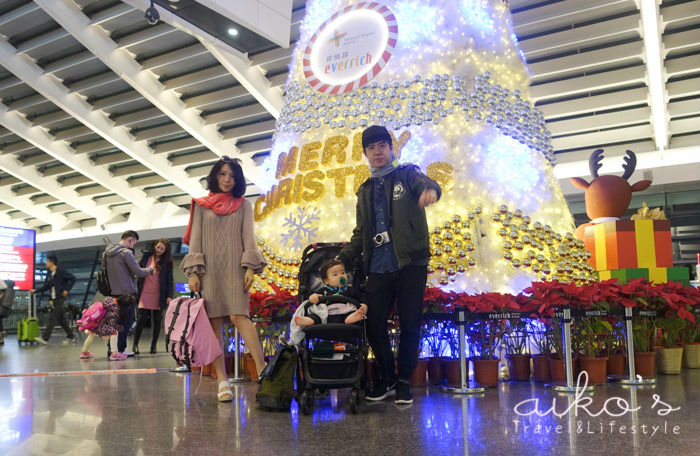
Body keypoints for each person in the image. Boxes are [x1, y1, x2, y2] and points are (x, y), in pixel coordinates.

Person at [338, 125, 441, 405]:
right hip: (378, 266)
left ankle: (405, 381)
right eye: (371, 148)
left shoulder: (407, 174)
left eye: (382, 145)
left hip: (411, 262)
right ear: (365, 154)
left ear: (390, 147)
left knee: (410, 323)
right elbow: (361, 232)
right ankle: (388, 378)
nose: (377, 151)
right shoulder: (365, 190)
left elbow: (426, 183)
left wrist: (430, 190)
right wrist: (343, 258)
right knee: (372, 323)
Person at [181, 156, 267, 402]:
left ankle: (262, 371)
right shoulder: (200, 205)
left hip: (236, 268)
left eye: (232, 175)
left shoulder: (244, 205)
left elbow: (248, 237)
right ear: (214, 176)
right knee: (214, 323)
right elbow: (195, 239)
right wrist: (194, 272)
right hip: (208, 270)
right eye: (222, 174)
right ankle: (222, 380)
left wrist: (250, 268)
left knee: (240, 317)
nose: (227, 180)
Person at [103, 230, 154, 360]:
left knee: (115, 322)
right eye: (134, 243)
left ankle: (112, 349)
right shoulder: (126, 253)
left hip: (113, 293)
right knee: (126, 323)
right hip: (127, 294)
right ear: (130, 239)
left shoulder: (106, 254)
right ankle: (120, 350)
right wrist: (151, 269)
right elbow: (139, 271)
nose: (133, 246)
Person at [293, 258, 367, 327]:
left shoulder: (350, 290)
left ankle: (352, 318)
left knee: (351, 312)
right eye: (335, 274)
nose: (340, 276)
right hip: (327, 315)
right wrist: (312, 297)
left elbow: (360, 298)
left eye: (343, 273)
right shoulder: (324, 291)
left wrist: (364, 305)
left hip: (344, 314)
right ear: (326, 281)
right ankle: (309, 320)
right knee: (317, 316)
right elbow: (313, 297)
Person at [132, 238, 174, 355]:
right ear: (154, 246)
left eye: (162, 249)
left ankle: (153, 345)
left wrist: (169, 295)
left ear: (165, 250)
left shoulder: (167, 262)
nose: (159, 250)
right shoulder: (147, 257)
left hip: (159, 294)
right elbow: (138, 270)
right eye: (158, 247)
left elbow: (170, 280)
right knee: (142, 319)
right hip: (145, 292)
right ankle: (135, 345)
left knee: (157, 320)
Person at [30, 255, 77, 345]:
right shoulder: (51, 274)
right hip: (55, 299)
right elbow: (47, 286)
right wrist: (35, 291)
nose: (46, 263)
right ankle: (71, 336)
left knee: (53, 317)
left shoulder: (60, 271)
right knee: (62, 320)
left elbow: (73, 278)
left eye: (47, 261)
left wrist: (67, 289)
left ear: (51, 262)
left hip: (60, 298)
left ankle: (45, 338)